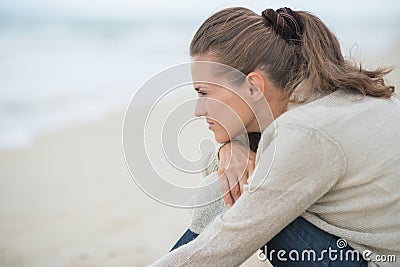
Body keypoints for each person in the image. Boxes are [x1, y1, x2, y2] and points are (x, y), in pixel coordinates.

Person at [150, 6, 400, 266]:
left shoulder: (305, 133)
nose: (198, 110)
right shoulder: (331, 98)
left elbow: (222, 247)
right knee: (240, 177)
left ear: (254, 86)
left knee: (236, 193)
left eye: (204, 93)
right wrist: (231, 147)